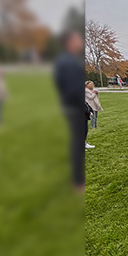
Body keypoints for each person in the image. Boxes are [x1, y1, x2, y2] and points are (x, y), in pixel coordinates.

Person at [53, 30, 87, 190]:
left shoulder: (63, 60)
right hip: (75, 108)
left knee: (76, 142)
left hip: (69, 107)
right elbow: (74, 90)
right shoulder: (69, 62)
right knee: (77, 143)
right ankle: (77, 181)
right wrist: (85, 109)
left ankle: (76, 178)